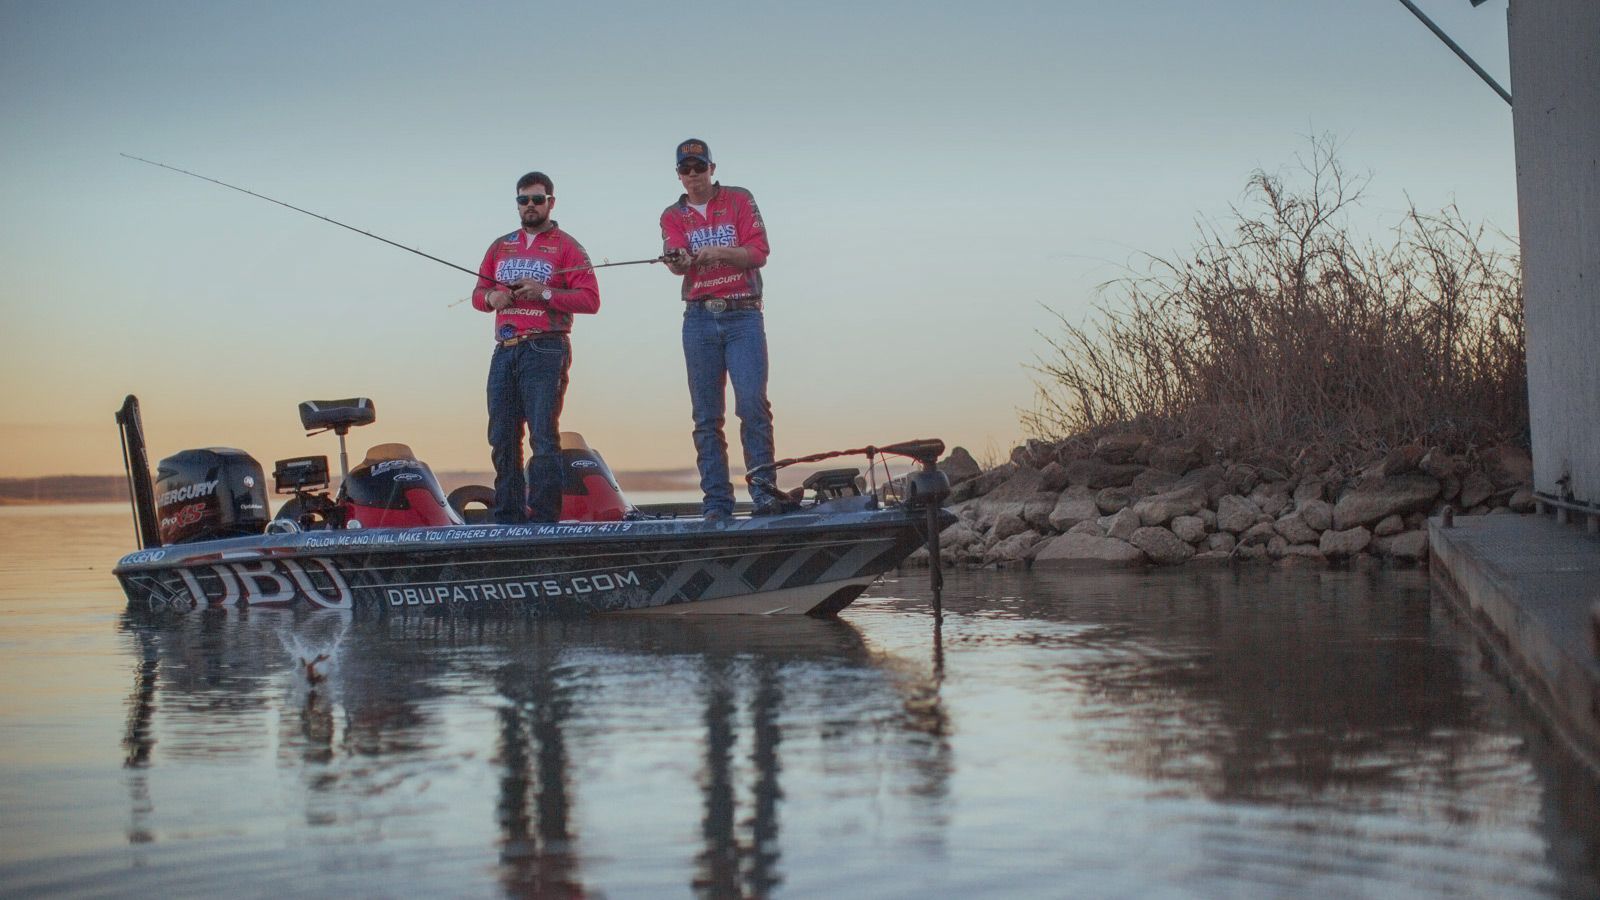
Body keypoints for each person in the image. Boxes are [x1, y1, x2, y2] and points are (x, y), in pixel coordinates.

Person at [659, 139, 782, 521]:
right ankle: (716, 502)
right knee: (706, 416)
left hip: (743, 314)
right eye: (685, 169)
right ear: (678, 174)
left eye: (699, 166)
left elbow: (758, 252)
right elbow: (677, 262)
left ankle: (763, 493)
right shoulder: (672, 215)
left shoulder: (739, 199)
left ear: (712, 168)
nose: (693, 175)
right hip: (698, 317)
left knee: (751, 404)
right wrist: (677, 261)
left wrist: (720, 253)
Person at [472, 171, 600, 523]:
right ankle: (509, 517)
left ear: (550, 203)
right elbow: (477, 295)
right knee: (502, 436)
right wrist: (492, 297)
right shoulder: (500, 246)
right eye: (523, 200)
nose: (530, 206)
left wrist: (543, 292)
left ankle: (544, 518)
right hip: (505, 349)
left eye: (537, 199)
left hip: (545, 347)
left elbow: (590, 299)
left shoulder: (567, 246)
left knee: (543, 436)